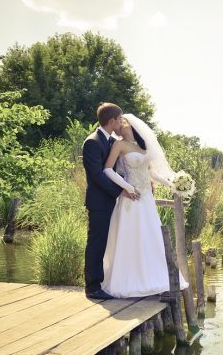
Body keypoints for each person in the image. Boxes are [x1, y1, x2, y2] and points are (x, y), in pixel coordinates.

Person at [100, 113, 189, 298]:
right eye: (119, 124)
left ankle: (151, 276)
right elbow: (107, 170)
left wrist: (171, 184)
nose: (121, 127)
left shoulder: (142, 147)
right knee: (131, 237)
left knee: (150, 236)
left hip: (146, 198)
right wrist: (127, 187)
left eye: (124, 124)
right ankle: (129, 280)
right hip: (131, 198)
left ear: (132, 126)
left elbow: (151, 173)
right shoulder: (119, 145)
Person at [82, 103, 139, 300]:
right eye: (119, 118)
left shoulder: (110, 141)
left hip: (108, 201)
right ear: (112, 120)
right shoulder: (92, 142)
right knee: (96, 243)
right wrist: (120, 191)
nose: (121, 122)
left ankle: (100, 282)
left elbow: (116, 170)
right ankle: (92, 287)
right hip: (98, 202)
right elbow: (97, 175)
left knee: (104, 243)